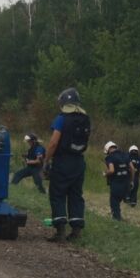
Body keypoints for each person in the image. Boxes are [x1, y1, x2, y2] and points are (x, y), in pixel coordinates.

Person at [43, 87, 91, 242]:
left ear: (63, 102)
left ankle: (60, 231)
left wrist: (46, 160)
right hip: (79, 161)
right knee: (76, 195)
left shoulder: (62, 118)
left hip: (63, 161)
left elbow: (53, 142)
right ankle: (76, 231)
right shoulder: (85, 118)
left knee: (57, 194)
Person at [103, 141, 134, 220]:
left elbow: (112, 170)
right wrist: (131, 181)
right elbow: (132, 168)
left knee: (114, 201)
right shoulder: (125, 155)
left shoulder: (110, 157)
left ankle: (117, 219)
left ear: (107, 150)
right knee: (120, 198)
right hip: (126, 184)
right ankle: (126, 198)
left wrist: (105, 174)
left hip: (116, 184)